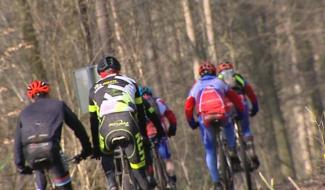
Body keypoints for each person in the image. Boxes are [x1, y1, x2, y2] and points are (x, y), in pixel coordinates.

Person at [88, 56, 153, 190]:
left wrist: (96, 147)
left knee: (106, 154)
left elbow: (93, 121)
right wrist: (144, 136)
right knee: (139, 172)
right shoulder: (131, 82)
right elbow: (141, 113)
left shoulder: (93, 89)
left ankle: (112, 184)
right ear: (118, 70)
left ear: (100, 74)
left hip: (106, 129)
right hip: (128, 124)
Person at [14, 80, 92, 190]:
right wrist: (86, 149)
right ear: (48, 93)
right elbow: (78, 128)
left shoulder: (24, 112)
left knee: (38, 168)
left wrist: (20, 166)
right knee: (63, 182)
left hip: (31, 152)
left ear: (31, 97)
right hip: (51, 150)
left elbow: (18, 142)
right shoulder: (59, 105)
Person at [184, 61, 245, 189]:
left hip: (205, 119)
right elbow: (235, 98)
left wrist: (192, 122)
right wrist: (240, 112)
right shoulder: (219, 82)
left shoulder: (196, 86)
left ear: (200, 74)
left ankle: (217, 182)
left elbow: (188, 107)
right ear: (214, 72)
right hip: (221, 115)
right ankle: (232, 149)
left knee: (210, 150)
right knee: (228, 125)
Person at [217, 61, 260, 170]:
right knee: (245, 129)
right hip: (242, 103)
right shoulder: (237, 77)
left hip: (227, 106)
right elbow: (250, 93)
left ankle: (233, 153)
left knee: (228, 128)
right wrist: (255, 108)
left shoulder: (217, 80)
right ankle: (250, 150)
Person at [141, 86, 177, 188]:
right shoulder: (158, 101)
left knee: (148, 160)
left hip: (146, 135)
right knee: (167, 159)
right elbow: (170, 115)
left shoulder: (137, 104)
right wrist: (172, 129)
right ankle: (172, 180)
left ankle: (150, 177)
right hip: (158, 132)